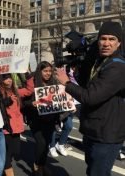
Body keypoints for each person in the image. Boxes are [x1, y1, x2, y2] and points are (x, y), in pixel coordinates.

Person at [55, 21, 125, 176]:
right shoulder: (101, 61)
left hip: (106, 135)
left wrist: (66, 82)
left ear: (119, 43)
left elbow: (90, 96)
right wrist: (84, 61)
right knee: (92, 171)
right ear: (98, 41)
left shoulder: (117, 67)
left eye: (111, 39)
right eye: (103, 38)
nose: (106, 43)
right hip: (93, 130)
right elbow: (85, 84)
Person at [23, 61, 58, 176]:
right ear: (40, 71)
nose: (48, 73)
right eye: (45, 71)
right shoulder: (32, 83)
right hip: (36, 119)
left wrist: (68, 105)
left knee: (47, 143)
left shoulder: (54, 82)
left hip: (50, 119)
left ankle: (42, 164)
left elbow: (60, 99)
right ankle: (37, 165)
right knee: (41, 143)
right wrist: (31, 103)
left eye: (50, 71)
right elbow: (23, 101)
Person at [0, 73, 34, 176]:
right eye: (6, 78)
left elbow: (29, 91)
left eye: (10, 78)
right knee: (7, 153)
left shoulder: (16, 92)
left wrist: (27, 76)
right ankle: (7, 169)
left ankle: (3, 165)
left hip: (17, 127)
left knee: (16, 151)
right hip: (6, 128)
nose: (9, 80)